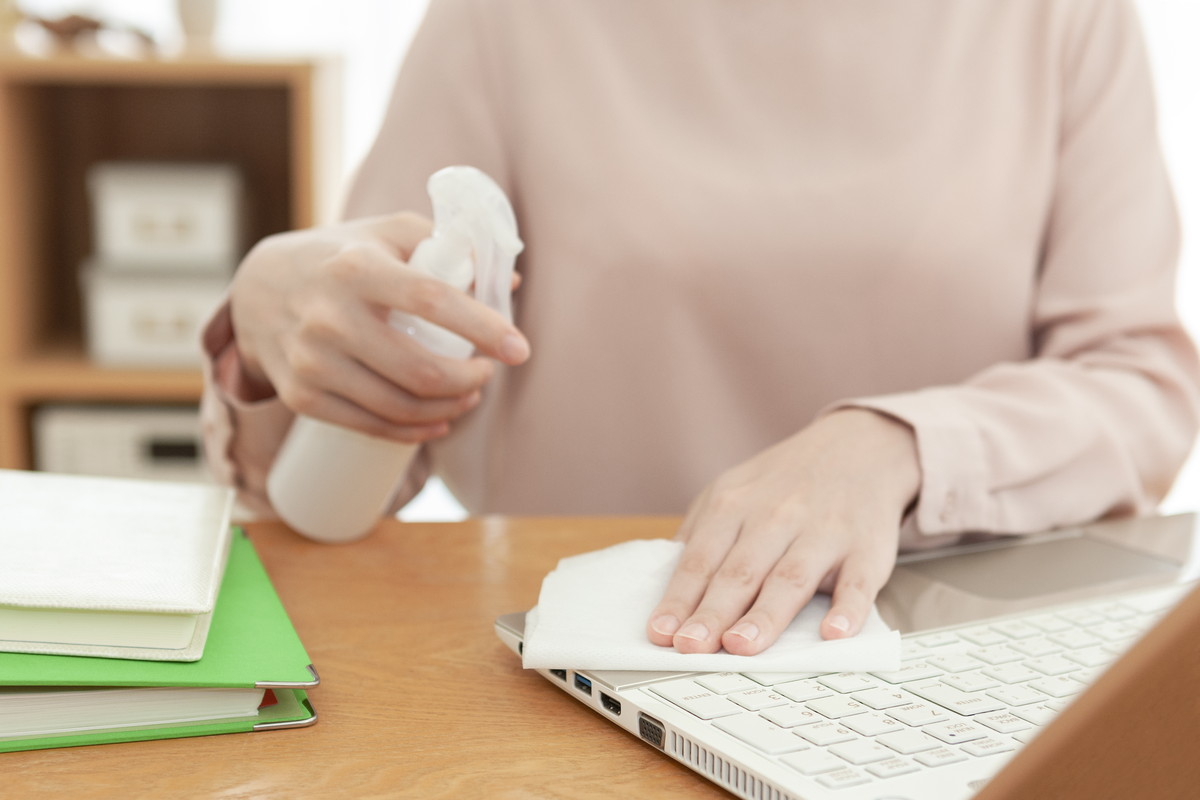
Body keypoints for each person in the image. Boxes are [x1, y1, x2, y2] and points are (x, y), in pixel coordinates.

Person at [201, 0, 1200, 658]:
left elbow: (1137, 381)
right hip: (589, 666)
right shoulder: (504, 21)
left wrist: (898, 446)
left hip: (955, 660)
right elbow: (340, 465)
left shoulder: (1062, 17)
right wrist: (270, 330)